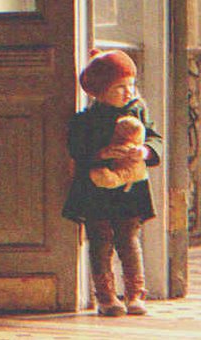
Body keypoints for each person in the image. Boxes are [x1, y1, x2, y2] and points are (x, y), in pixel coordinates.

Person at [62, 49, 163, 316]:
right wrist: (102, 154)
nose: (128, 92)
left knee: (129, 239)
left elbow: (154, 138)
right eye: (120, 87)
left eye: (131, 85)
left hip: (129, 190)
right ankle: (106, 297)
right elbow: (78, 149)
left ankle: (135, 294)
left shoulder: (138, 111)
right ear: (99, 91)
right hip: (98, 192)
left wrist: (145, 151)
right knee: (100, 241)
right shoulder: (86, 120)